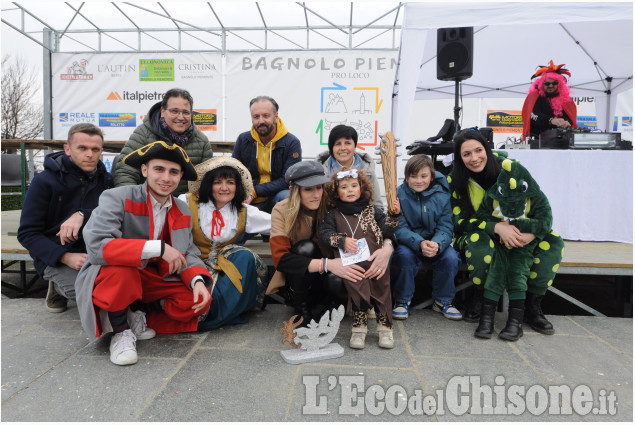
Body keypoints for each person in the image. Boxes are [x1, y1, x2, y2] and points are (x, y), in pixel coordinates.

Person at [75, 141, 213, 366]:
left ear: (180, 178)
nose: (166, 178)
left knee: (196, 299)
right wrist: (156, 248)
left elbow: (187, 251)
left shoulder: (182, 208)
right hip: (114, 274)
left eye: (174, 172)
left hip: (151, 278)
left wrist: (198, 280)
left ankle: (136, 312)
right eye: (159, 169)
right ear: (144, 170)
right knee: (122, 271)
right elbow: (98, 246)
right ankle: (120, 331)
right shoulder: (117, 196)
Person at [447, 129, 564, 336]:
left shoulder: (512, 170)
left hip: (519, 231)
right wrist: (497, 227)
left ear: (487, 149)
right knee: (479, 243)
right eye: (466, 154)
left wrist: (531, 234)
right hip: (479, 231)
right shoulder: (455, 181)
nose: (474, 158)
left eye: (478, 150)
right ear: (459, 157)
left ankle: (532, 305)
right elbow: (460, 222)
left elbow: (541, 208)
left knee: (553, 242)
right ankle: (481, 296)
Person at [17, 123, 113, 313]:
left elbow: (114, 214)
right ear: (67, 149)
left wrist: (83, 214)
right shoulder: (43, 181)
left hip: (93, 250)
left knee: (119, 290)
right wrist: (64, 257)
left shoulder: (107, 180)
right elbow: (27, 234)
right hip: (55, 254)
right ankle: (57, 287)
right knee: (91, 295)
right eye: (82, 148)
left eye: (95, 149)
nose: (89, 154)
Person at [178, 157, 271, 330]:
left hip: (222, 267)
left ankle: (222, 313)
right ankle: (225, 313)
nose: (224, 188)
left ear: (237, 187)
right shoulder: (186, 202)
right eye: (217, 182)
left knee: (245, 256)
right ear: (208, 184)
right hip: (192, 264)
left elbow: (278, 224)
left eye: (230, 182)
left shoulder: (244, 211)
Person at [473, 157, 559, 341]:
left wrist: (521, 228)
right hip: (500, 243)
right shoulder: (493, 195)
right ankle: (486, 319)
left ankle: (515, 322)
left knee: (517, 273)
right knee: (495, 273)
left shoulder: (536, 196)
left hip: (523, 244)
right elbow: (481, 217)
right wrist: (499, 228)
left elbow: (545, 221)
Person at [319, 168, 401, 350]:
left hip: (375, 261)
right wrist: (341, 241)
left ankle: (385, 327)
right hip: (351, 263)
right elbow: (324, 233)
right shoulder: (333, 214)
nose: (349, 190)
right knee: (357, 290)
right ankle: (359, 327)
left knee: (382, 290)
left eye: (354, 186)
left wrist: (394, 216)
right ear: (335, 191)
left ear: (362, 188)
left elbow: (387, 231)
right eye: (344, 187)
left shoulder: (373, 210)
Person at [392, 155, 462, 321]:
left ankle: (443, 300)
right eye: (413, 176)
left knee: (451, 257)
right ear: (407, 177)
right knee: (404, 256)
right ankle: (402, 300)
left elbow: (445, 226)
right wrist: (419, 242)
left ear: (431, 176)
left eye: (423, 176)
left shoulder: (442, 196)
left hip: (434, 242)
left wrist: (436, 243)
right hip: (410, 243)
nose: (418, 181)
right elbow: (399, 227)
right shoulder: (399, 194)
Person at [114, 88, 213, 196]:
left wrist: (188, 206)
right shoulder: (143, 133)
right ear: (163, 111)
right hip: (145, 204)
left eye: (185, 112)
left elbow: (205, 183)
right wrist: (134, 203)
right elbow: (125, 173)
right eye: (174, 111)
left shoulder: (202, 142)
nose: (180, 117)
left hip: (184, 207)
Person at [232, 96, 301, 213]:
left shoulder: (291, 142)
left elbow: (288, 180)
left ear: (275, 116)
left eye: (266, 115)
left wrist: (254, 191)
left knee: (287, 196)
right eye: (256, 117)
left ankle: (279, 231)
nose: (261, 121)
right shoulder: (243, 139)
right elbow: (233, 171)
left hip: (274, 198)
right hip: (247, 199)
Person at [316, 124, 383, 210]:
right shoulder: (321, 172)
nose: (343, 148)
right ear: (331, 148)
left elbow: (376, 205)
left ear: (355, 146)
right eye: (338, 144)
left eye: (348, 143)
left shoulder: (367, 169)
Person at [522, 60, 578, 140]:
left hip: (561, 141)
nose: (551, 85)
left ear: (559, 84)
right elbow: (533, 115)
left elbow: (570, 118)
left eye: (554, 83)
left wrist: (566, 122)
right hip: (537, 140)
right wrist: (551, 120)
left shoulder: (566, 99)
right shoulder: (534, 97)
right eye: (547, 83)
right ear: (542, 84)